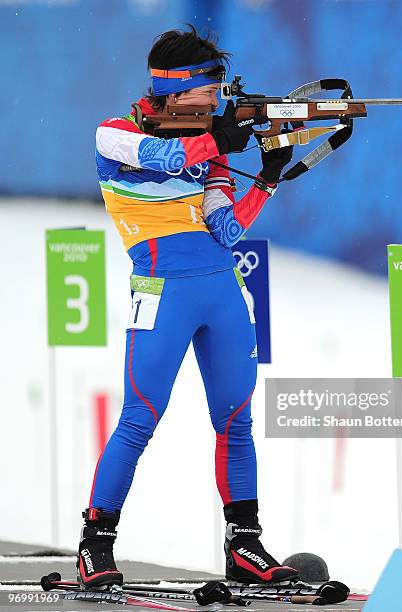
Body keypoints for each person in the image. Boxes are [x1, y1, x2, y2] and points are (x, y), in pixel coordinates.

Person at [77, 26, 297, 589]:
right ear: (175, 91)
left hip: (221, 288)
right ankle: (95, 545)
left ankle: (244, 544)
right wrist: (223, 138)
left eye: (220, 95)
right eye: (208, 93)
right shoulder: (115, 134)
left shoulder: (212, 147)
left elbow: (226, 230)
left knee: (236, 421)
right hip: (160, 288)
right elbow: (166, 156)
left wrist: (269, 178)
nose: (216, 103)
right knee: (138, 419)